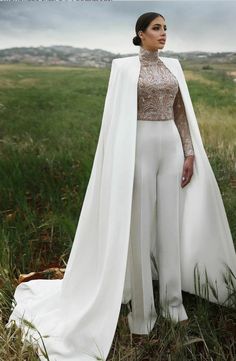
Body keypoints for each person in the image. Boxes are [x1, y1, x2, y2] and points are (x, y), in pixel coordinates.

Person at [5, 11, 236, 361]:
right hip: (139, 150)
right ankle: (142, 314)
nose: (164, 34)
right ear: (140, 34)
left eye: (166, 28)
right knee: (140, 229)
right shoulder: (124, 68)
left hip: (170, 147)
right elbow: (116, 122)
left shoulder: (173, 67)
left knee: (169, 226)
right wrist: (121, 162)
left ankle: (173, 305)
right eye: (157, 28)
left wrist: (189, 153)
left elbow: (179, 112)